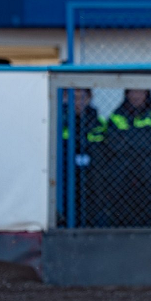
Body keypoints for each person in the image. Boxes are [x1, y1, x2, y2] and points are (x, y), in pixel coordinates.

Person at [104, 89, 151, 227]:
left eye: (140, 92)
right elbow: (114, 144)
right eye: (132, 92)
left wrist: (130, 140)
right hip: (123, 179)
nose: (136, 96)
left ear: (147, 94)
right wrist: (145, 141)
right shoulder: (116, 116)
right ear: (126, 94)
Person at [59, 88, 106, 228]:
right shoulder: (59, 121)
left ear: (89, 98)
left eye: (82, 98)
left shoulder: (99, 122)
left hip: (91, 179)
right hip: (66, 176)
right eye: (74, 98)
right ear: (66, 98)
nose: (78, 102)